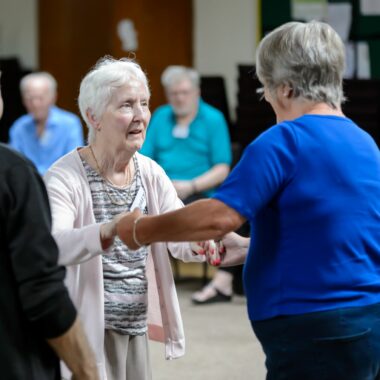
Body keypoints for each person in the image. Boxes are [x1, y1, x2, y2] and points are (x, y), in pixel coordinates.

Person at [117, 21, 380, 379]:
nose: (267, 97)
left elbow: (218, 217)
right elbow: (332, 232)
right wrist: (251, 246)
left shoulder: (283, 141)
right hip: (367, 319)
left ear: (285, 88)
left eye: (265, 88)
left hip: (312, 325)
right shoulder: (364, 143)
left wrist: (141, 228)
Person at [43, 57, 214, 380]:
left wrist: (204, 240)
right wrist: (106, 230)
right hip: (89, 328)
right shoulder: (64, 176)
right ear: (93, 117)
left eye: (145, 104)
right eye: (126, 105)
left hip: (134, 323)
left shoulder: (149, 171)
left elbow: (178, 230)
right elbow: (55, 244)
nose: (140, 116)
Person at [0, 72, 98, 379]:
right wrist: (86, 370)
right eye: (28, 96)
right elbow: (42, 290)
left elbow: (69, 167)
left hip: (56, 191)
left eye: (39, 96)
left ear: (52, 98)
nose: (34, 102)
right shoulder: (13, 169)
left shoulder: (67, 124)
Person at [140, 65, 235, 303]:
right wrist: (160, 183)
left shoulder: (213, 119)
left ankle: (223, 284)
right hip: (161, 189)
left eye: (184, 92)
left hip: (199, 191)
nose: (179, 98)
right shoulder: (161, 116)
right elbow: (143, 157)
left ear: (197, 92)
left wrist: (191, 185)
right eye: (174, 94)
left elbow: (222, 168)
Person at [9, 71, 84, 175]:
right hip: (28, 186)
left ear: (53, 98)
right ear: (23, 100)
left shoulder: (70, 123)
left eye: (41, 98)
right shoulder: (19, 127)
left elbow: (75, 164)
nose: (35, 104)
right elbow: (13, 165)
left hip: (60, 185)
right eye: (30, 98)